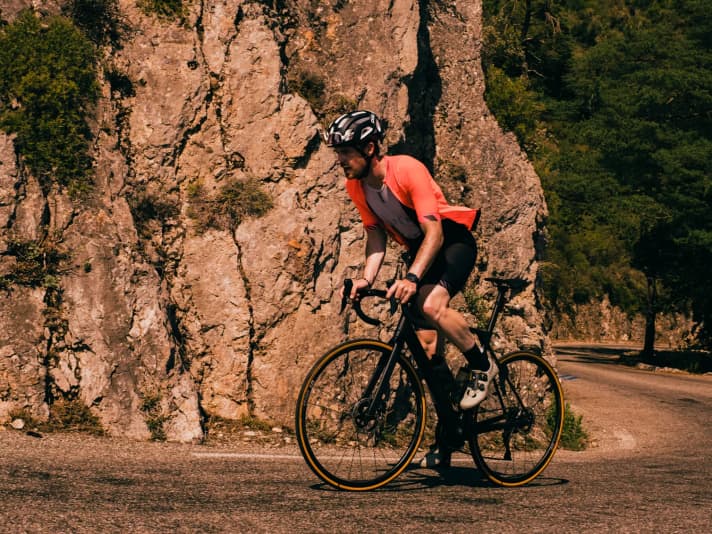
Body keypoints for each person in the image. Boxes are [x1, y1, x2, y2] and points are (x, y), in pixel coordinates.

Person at [324, 110, 498, 468]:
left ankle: (482, 363)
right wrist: (365, 280)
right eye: (338, 152)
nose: (340, 160)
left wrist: (413, 278)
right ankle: (450, 433)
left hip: (451, 244)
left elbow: (433, 232)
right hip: (419, 254)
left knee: (432, 304)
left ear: (370, 148)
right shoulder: (356, 186)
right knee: (426, 347)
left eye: (346, 152)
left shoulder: (407, 169)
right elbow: (375, 238)